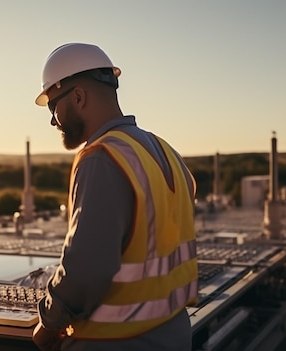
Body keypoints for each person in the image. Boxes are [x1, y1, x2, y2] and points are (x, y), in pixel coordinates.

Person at [31, 42, 198, 351]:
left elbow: (85, 271)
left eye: (54, 107)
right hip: (173, 333)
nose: (53, 120)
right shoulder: (164, 150)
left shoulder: (102, 157)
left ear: (78, 97)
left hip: (117, 341)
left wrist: (49, 322)